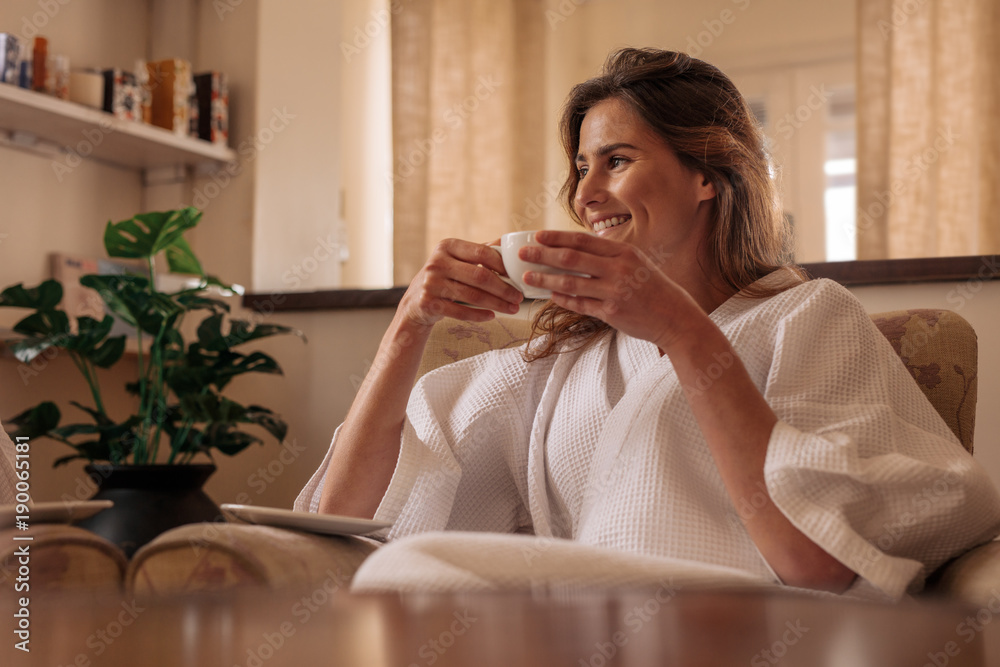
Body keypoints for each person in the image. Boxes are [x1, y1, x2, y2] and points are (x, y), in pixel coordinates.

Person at [296, 48, 1000, 599]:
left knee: (419, 571)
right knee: (405, 569)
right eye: (580, 168)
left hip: (747, 624)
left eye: (618, 161)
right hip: (579, 631)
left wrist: (680, 328)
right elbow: (346, 511)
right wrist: (407, 327)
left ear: (707, 174)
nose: (586, 193)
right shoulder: (569, 355)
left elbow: (817, 559)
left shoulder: (808, 316)